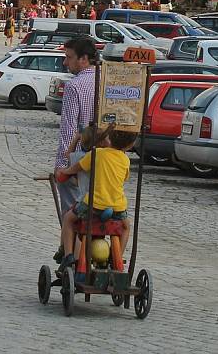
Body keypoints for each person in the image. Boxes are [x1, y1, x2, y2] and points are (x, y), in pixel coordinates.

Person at [55, 129, 137, 271]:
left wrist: (64, 172)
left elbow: (74, 169)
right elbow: (124, 178)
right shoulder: (125, 160)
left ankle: (68, 255)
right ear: (129, 146)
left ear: (109, 139)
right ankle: (115, 257)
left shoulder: (96, 154)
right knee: (125, 227)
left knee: (68, 219)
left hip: (93, 205)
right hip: (117, 208)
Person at [54, 37, 97, 216]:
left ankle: (71, 245)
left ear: (83, 58)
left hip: (77, 162)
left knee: (73, 217)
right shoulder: (106, 82)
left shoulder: (74, 86)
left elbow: (69, 128)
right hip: (104, 161)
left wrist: (63, 165)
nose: (65, 62)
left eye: (69, 57)